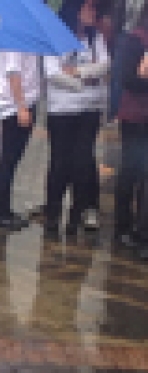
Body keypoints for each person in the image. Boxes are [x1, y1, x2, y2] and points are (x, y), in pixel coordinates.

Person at [44, 0, 110, 236]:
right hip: (62, 109)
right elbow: (53, 73)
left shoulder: (95, 38)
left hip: (90, 109)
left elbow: (105, 65)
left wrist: (78, 72)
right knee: (60, 162)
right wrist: (85, 82)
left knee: (83, 161)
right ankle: (52, 213)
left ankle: (78, 212)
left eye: (94, 8)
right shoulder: (56, 36)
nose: (93, 12)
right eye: (88, 7)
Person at [0, 51, 41, 230]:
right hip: (14, 108)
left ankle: (2, 206)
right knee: (7, 160)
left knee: (11, 160)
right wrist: (21, 107)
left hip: (24, 104)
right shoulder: (15, 46)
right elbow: (13, 73)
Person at [114, 2, 148, 259]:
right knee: (130, 172)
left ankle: (141, 231)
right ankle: (123, 226)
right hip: (135, 117)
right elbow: (127, 80)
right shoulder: (135, 40)